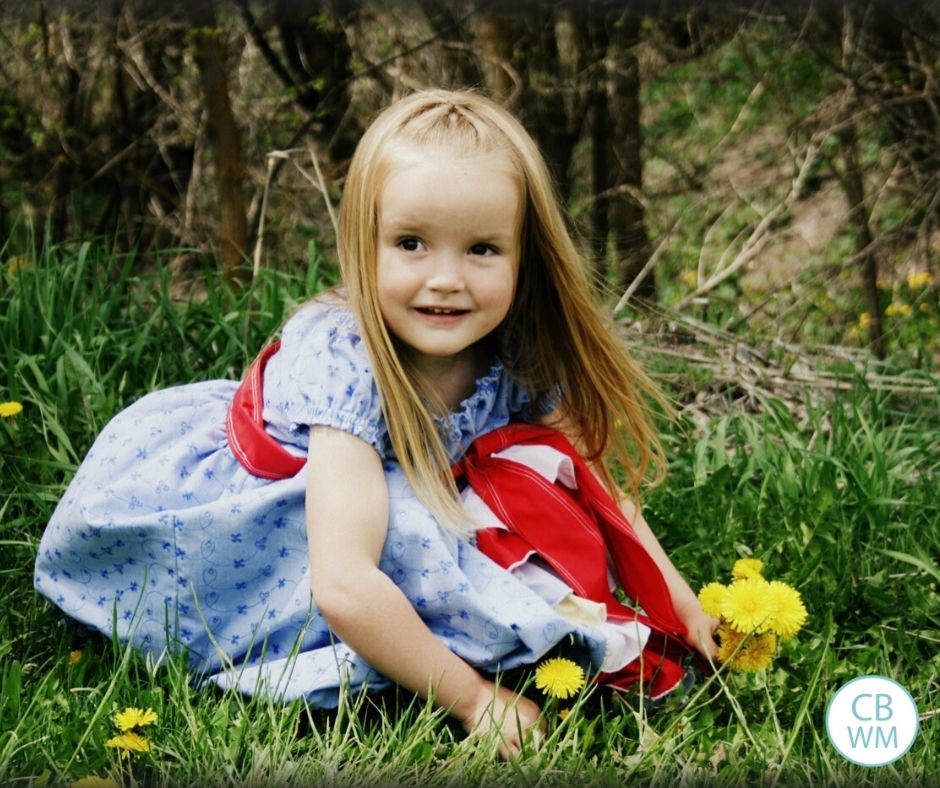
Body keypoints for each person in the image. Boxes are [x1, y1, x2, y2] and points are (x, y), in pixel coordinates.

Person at [34, 89, 718, 757]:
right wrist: (474, 699)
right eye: (412, 243)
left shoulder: (519, 346)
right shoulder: (344, 362)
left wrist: (679, 603)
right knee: (405, 531)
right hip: (267, 532)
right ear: (365, 245)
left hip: (382, 516)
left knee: (460, 510)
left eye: (482, 249)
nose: (446, 278)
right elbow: (345, 584)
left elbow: (597, 492)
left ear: (525, 255)